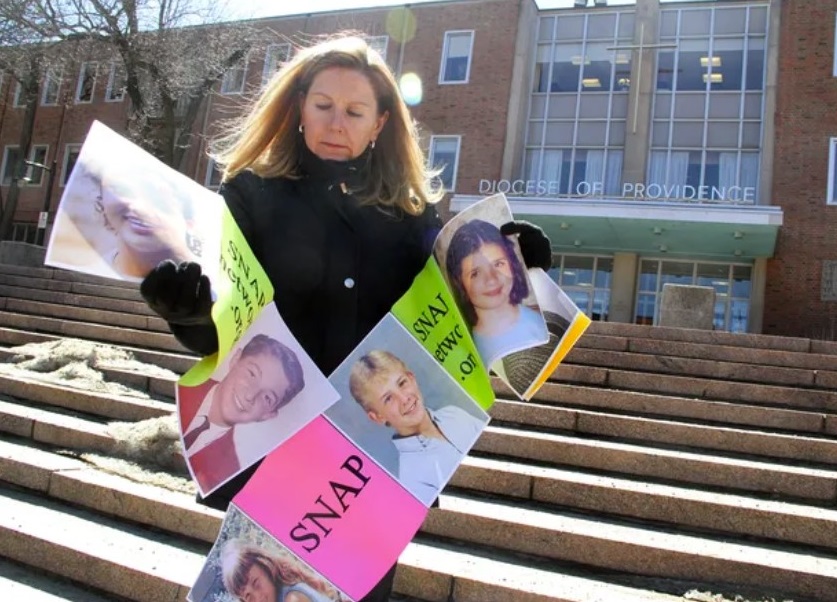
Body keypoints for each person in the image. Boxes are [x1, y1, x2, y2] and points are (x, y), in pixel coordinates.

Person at [139, 33, 551, 601]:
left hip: (369, 467)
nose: (338, 123)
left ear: (380, 123)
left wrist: (514, 265)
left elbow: (459, 319)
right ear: (300, 107)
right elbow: (230, 329)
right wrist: (185, 312)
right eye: (324, 106)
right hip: (276, 448)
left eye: (356, 111)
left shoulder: (413, 215)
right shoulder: (250, 197)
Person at [347, 350, 484, 504]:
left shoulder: (453, 414)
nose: (404, 398)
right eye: (388, 399)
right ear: (378, 416)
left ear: (412, 378)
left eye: (402, 383)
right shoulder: (413, 480)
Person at [180, 333, 305, 494]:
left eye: (267, 397)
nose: (250, 395)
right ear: (235, 359)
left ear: (269, 414)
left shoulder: (229, 467)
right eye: (252, 373)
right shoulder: (188, 390)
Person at [77, 156, 203, 280]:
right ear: (102, 201)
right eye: (123, 190)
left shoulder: (207, 285)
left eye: (159, 199)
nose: (140, 208)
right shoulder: (87, 272)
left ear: (190, 224)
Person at [445, 218, 548, 365]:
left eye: (498, 264)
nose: (491, 279)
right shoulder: (461, 348)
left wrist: (538, 270)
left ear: (512, 264)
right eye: (475, 273)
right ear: (459, 283)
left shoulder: (543, 320)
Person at [220, 539, 342, 602]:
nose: (258, 598)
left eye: (256, 584)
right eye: (249, 597)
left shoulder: (292, 598)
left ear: (267, 568)